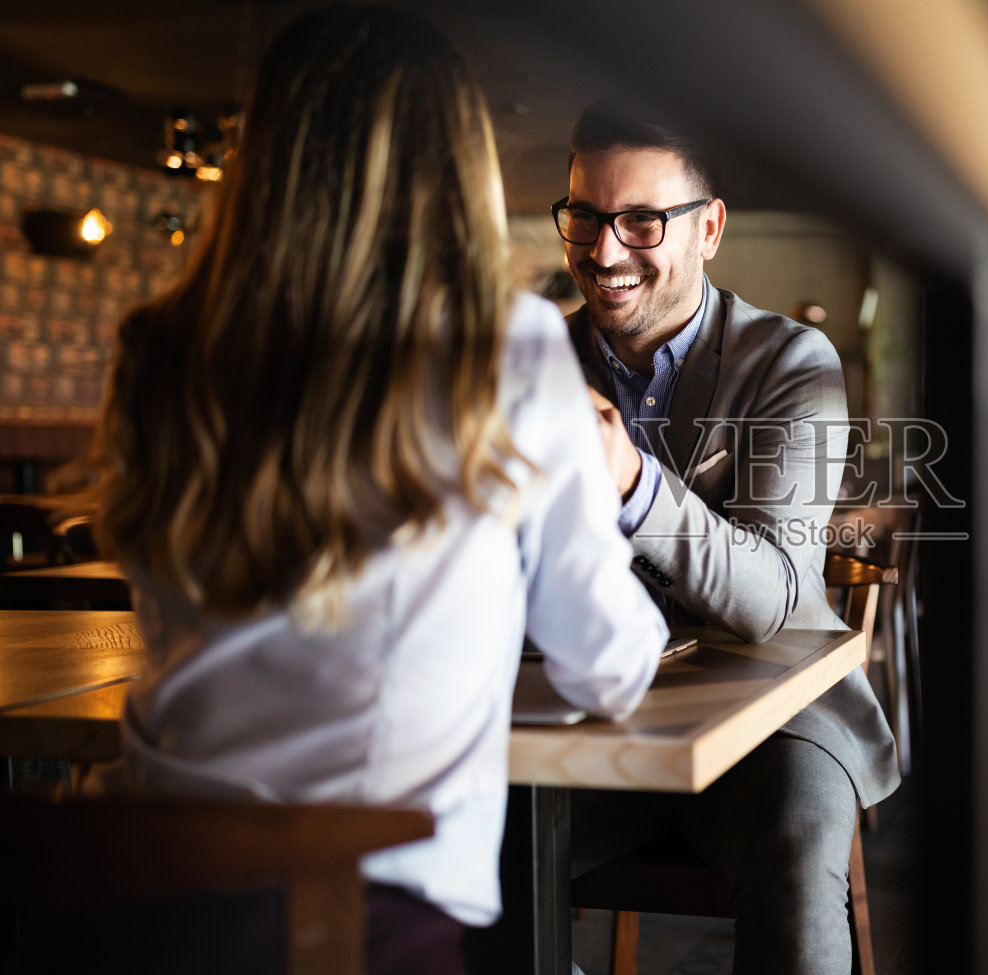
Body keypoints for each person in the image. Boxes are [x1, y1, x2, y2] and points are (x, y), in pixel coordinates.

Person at [84, 7, 666, 972]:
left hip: (121, 888)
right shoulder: (506, 349)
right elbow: (609, 665)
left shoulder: (163, 347)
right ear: (458, 168)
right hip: (346, 914)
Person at [557, 99, 900, 974]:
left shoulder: (793, 362)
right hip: (591, 718)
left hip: (775, 722)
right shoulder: (532, 362)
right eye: (587, 217)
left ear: (708, 228)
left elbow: (771, 597)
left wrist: (629, 480)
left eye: (640, 220)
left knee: (793, 849)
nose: (603, 251)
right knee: (452, 840)